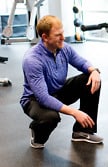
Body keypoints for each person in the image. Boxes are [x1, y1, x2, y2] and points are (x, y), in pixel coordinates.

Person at [20, 15, 103, 149]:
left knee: (90, 79)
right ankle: (37, 132)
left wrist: (94, 71)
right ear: (45, 37)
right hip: (34, 100)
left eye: (63, 33)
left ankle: (82, 131)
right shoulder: (33, 60)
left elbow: (81, 62)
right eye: (58, 35)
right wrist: (75, 112)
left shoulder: (64, 48)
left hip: (57, 91)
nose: (63, 37)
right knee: (51, 118)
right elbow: (43, 97)